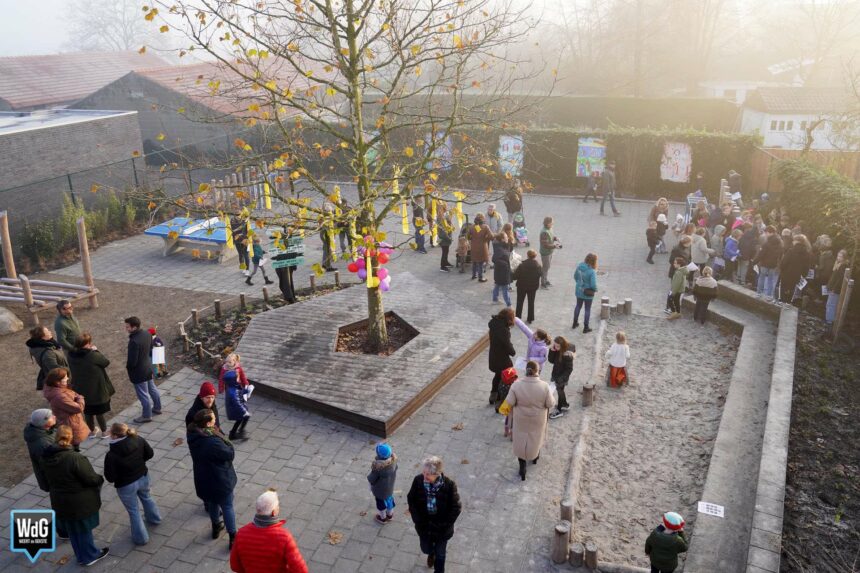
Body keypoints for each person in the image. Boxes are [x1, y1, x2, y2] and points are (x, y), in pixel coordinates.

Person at [41, 425, 109, 566]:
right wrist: (99, 479)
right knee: (83, 529)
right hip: (78, 501)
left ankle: (80, 555)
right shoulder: (74, 458)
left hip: (59, 499)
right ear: (71, 437)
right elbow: (90, 478)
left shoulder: (46, 457)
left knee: (73, 530)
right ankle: (90, 556)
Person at [104, 422, 162, 545]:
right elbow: (150, 453)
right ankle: (155, 518)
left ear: (114, 436)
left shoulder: (111, 455)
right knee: (147, 497)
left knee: (134, 511)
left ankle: (141, 538)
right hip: (142, 476)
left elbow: (110, 477)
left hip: (126, 485)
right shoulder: (138, 439)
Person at [188, 408, 238, 548]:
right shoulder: (213, 442)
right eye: (213, 419)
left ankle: (216, 526)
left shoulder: (193, 433)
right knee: (227, 506)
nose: (216, 420)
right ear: (208, 424)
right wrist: (224, 439)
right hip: (219, 479)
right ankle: (233, 536)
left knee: (212, 503)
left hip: (203, 478)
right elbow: (229, 453)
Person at [230, 490, 308, 573]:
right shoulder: (284, 537)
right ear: (274, 512)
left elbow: (235, 566)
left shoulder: (241, 534)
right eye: (278, 506)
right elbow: (301, 570)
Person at [406, 456, 462, 572]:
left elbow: (456, 508)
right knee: (425, 549)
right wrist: (417, 519)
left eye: (428, 474)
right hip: (424, 526)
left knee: (441, 554)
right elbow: (411, 499)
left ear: (437, 474)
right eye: (424, 472)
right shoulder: (418, 480)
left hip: (442, 529)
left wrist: (444, 525)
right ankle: (431, 553)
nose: (424, 476)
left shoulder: (449, 485)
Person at [506, 360, 555, 481]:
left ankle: (522, 466)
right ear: (537, 371)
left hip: (521, 419)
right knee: (535, 438)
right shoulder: (544, 386)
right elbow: (550, 403)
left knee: (521, 440)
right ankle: (535, 457)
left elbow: (510, 402)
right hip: (537, 419)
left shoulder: (516, 385)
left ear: (526, 370)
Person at [67, 333, 115, 438]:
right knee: (99, 412)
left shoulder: (70, 355)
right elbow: (106, 362)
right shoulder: (92, 355)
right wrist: (96, 350)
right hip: (96, 388)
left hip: (80, 388)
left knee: (87, 411)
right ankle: (104, 432)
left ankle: (92, 431)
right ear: (87, 344)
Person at [125, 316, 161, 424]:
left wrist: (128, 368)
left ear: (134, 327)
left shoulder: (134, 341)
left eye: (127, 327)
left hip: (138, 372)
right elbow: (150, 349)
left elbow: (132, 361)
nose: (126, 329)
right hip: (147, 367)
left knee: (143, 394)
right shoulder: (147, 334)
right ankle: (157, 408)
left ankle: (146, 416)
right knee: (152, 389)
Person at [43, 367, 90, 447]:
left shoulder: (54, 389)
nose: (67, 378)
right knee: (74, 444)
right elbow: (78, 408)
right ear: (58, 382)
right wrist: (80, 397)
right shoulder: (59, 396)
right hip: (71, 424)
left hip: (69, 422)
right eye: (65, 378)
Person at [487, 308, 516, 405]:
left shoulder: (494, 323)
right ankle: (499, 399)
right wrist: (513, 352)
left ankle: (493, 395)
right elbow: (507, 345)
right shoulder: (504, 330)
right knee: (505, 377)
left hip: (493, 356)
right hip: (502, 359)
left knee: (498, 375)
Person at [26, 325, 68, 391]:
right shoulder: (48, 354)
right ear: (43, 337)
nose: (50, 332)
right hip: (61, 380)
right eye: (47, 331)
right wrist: (69, 369)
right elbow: (56, 371)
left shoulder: (48, 344)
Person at [367, 442, 398, 524]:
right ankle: (390, 515)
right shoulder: (394, 462)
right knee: (389, 500)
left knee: (381, 504)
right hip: (389, 488)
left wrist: (370, 483)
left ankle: (382, 518)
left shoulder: (378, 468)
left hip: (380, 490)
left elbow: (372, 479)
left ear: (379, 455)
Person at [779, 234, 812, 305]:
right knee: (791, 292)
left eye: (794, 240)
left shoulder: (791, 251)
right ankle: (788, 305)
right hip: (797, 276)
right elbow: (807, 267)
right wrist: (803, 275)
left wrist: (782, 270)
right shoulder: (807, 253)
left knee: (783, 293)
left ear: (797, 241)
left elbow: (784, 263)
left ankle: (781, 305)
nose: (793, 242)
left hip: (786, 274)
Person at [753, 225, 783, 300]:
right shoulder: (780, 243)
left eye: (766, 232)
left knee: (761, 278)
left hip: (765, 263)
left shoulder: (767, 243)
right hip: (773, 264)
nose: (765, 234)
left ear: (770, 233)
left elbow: (761, 254)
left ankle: (759, 293)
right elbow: (781, 254)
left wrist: (754, 262)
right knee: (771, 280)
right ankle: (769, 295)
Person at [547, 337, 574, 419]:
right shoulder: (557, 350)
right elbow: (551, 361)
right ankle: (564, 405)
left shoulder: (567, 355)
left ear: (563, 346)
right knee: (560, 391)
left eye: (557, 346)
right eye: (555, 345)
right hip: (556, 374)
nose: (556, 347)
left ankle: (559, 410)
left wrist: (561, 379)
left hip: (561, 378)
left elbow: (569, 369)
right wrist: (552, 350)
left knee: (560, 391)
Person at [512, 250, 542, 324]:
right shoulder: (538, 266)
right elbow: (540, 274)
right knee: (531, 302)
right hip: (532, 287)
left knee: (519, 302)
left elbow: (515, 276)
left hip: (521, 286)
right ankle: (530, 318)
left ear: (527, 255)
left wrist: (513, 271)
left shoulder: (522, 265)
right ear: (535, 256)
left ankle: (518, 317)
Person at [573, 253, 598, 333]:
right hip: (588, 293)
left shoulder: (580, 266)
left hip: (579, 290)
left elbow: (575, 276)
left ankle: (574, 323)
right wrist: (595, 289)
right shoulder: (592, 271)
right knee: (587, 309)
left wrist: (579, 283)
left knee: (578, 306)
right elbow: (593, 284)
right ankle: (586, 327)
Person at [224, 370, 251, 441]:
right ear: (233, 380)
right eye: (237, 378)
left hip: (234, 409)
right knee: (245, 417)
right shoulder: (233, 392)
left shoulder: (232, 387)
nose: (239, 379)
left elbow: (240, 392)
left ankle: (233, 434)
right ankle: (239, 432)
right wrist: (244, 411)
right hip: (235, 410)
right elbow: (237, 403)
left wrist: (247, 390)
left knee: (240, 420)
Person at [467, 213, 493, 281]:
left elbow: (468, 236)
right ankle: (480, 277)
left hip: (474, 246)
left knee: (474, 261)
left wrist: (473, 239)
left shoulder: (472, 227)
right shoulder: (485, 227)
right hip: (482, 246)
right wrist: (486, 239)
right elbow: (491, 236)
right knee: (481, 262)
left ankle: (474, 275)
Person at [826, 249, 849, 325]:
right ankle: (829, 319)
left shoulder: (843, 266)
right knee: (830, 303)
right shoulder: (838, 264)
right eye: (838, 256)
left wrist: (834, 289)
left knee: (831, 304)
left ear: (844, 258)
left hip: (835, 289)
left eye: (840, 256)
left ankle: (830, 320)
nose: (838, 257)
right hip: (832, 287)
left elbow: (839, 279)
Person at [538, 216, 561, 288]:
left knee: (547, 267)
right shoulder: (544, 232)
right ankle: (543, 283)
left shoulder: (549, 229)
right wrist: (555, 246)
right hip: (545, 253)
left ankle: (545, 280)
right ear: (547, 223)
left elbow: (551, 237)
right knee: (545, 268)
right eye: (551, 223)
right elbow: (545, 245)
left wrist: (555, 238)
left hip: (549, 252)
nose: (552, 224)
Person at [492, 232, 513, 306]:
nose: (507, 237)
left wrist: (509, 243)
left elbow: (508, 252)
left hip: (500, 272)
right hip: (502, 273)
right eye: (506, 237)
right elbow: (494, 259)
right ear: (502, 239)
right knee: (505, 289)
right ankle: (508, 304)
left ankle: (495, 299)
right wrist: (505, 264)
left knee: (497, 285)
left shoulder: (503, 246)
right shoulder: (499, 249)